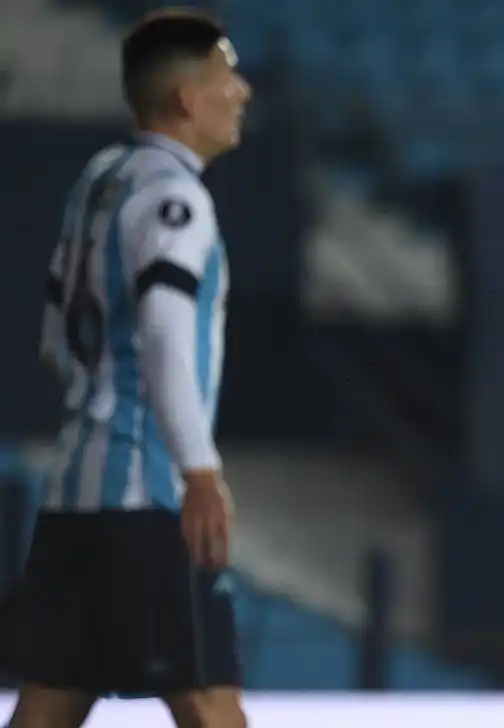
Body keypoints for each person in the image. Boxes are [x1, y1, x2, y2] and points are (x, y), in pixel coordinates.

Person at [0, 10, 251, 728]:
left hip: (75, 493)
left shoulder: (98, 181)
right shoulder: (178, 200)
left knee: (47, 705)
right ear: (186, 99)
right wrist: (199, 472)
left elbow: (55, 336)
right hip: (149, 498)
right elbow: (166, 336)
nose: (242, 91)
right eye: (226, 75)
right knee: (209, 701)